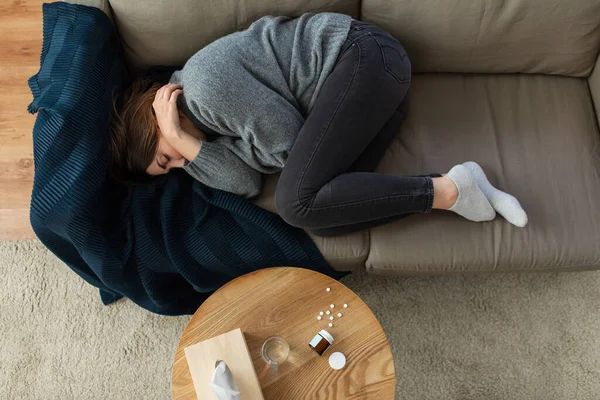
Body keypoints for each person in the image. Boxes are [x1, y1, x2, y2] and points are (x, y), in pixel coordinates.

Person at [109, 13, 527, 237]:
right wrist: (187, 146)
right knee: (325, 222)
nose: (181, 163)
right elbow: (247, 183)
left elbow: (288, 144)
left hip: (366, 60)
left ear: (157, 119)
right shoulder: (202, 132)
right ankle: (455, 186)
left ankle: (452, 190)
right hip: (372, 101)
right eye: (170, 169)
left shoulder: (204, 89)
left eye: (166, 157)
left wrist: (185, 141)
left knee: (295, 204)